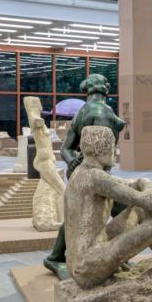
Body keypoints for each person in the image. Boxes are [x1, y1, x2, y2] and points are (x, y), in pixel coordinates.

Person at [64, 125, 152, 289]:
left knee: (139, 210)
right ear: (102, 148)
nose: (115, 152)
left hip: (82, 261)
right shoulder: (95, 177)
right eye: (113, 147)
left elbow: (131, 184)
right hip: (88, 267)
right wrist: (146, 182)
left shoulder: (81, 173)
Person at [43, 73, 127, 278]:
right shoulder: (102, 112)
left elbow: (65, 149)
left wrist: (73, 161)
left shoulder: (84, 112)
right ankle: (57, 257)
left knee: (81, 212)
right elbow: (101, 146)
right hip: (93, 172)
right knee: (122, 210)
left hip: (88, 171)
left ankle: (58, 256)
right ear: (105, 89)